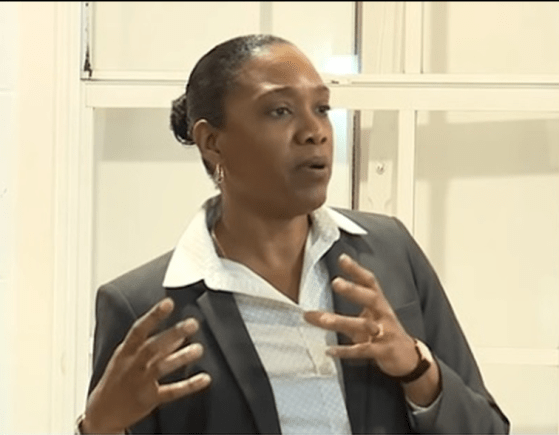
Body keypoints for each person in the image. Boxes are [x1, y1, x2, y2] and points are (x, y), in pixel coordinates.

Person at [77, 34, 510, 434]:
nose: (314, 132)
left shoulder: (389, 251)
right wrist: (98, 428)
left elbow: (488, 429)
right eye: (280, 111)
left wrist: (416, 368)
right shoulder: (144, 307)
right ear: (211, 141)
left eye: (321, 108)